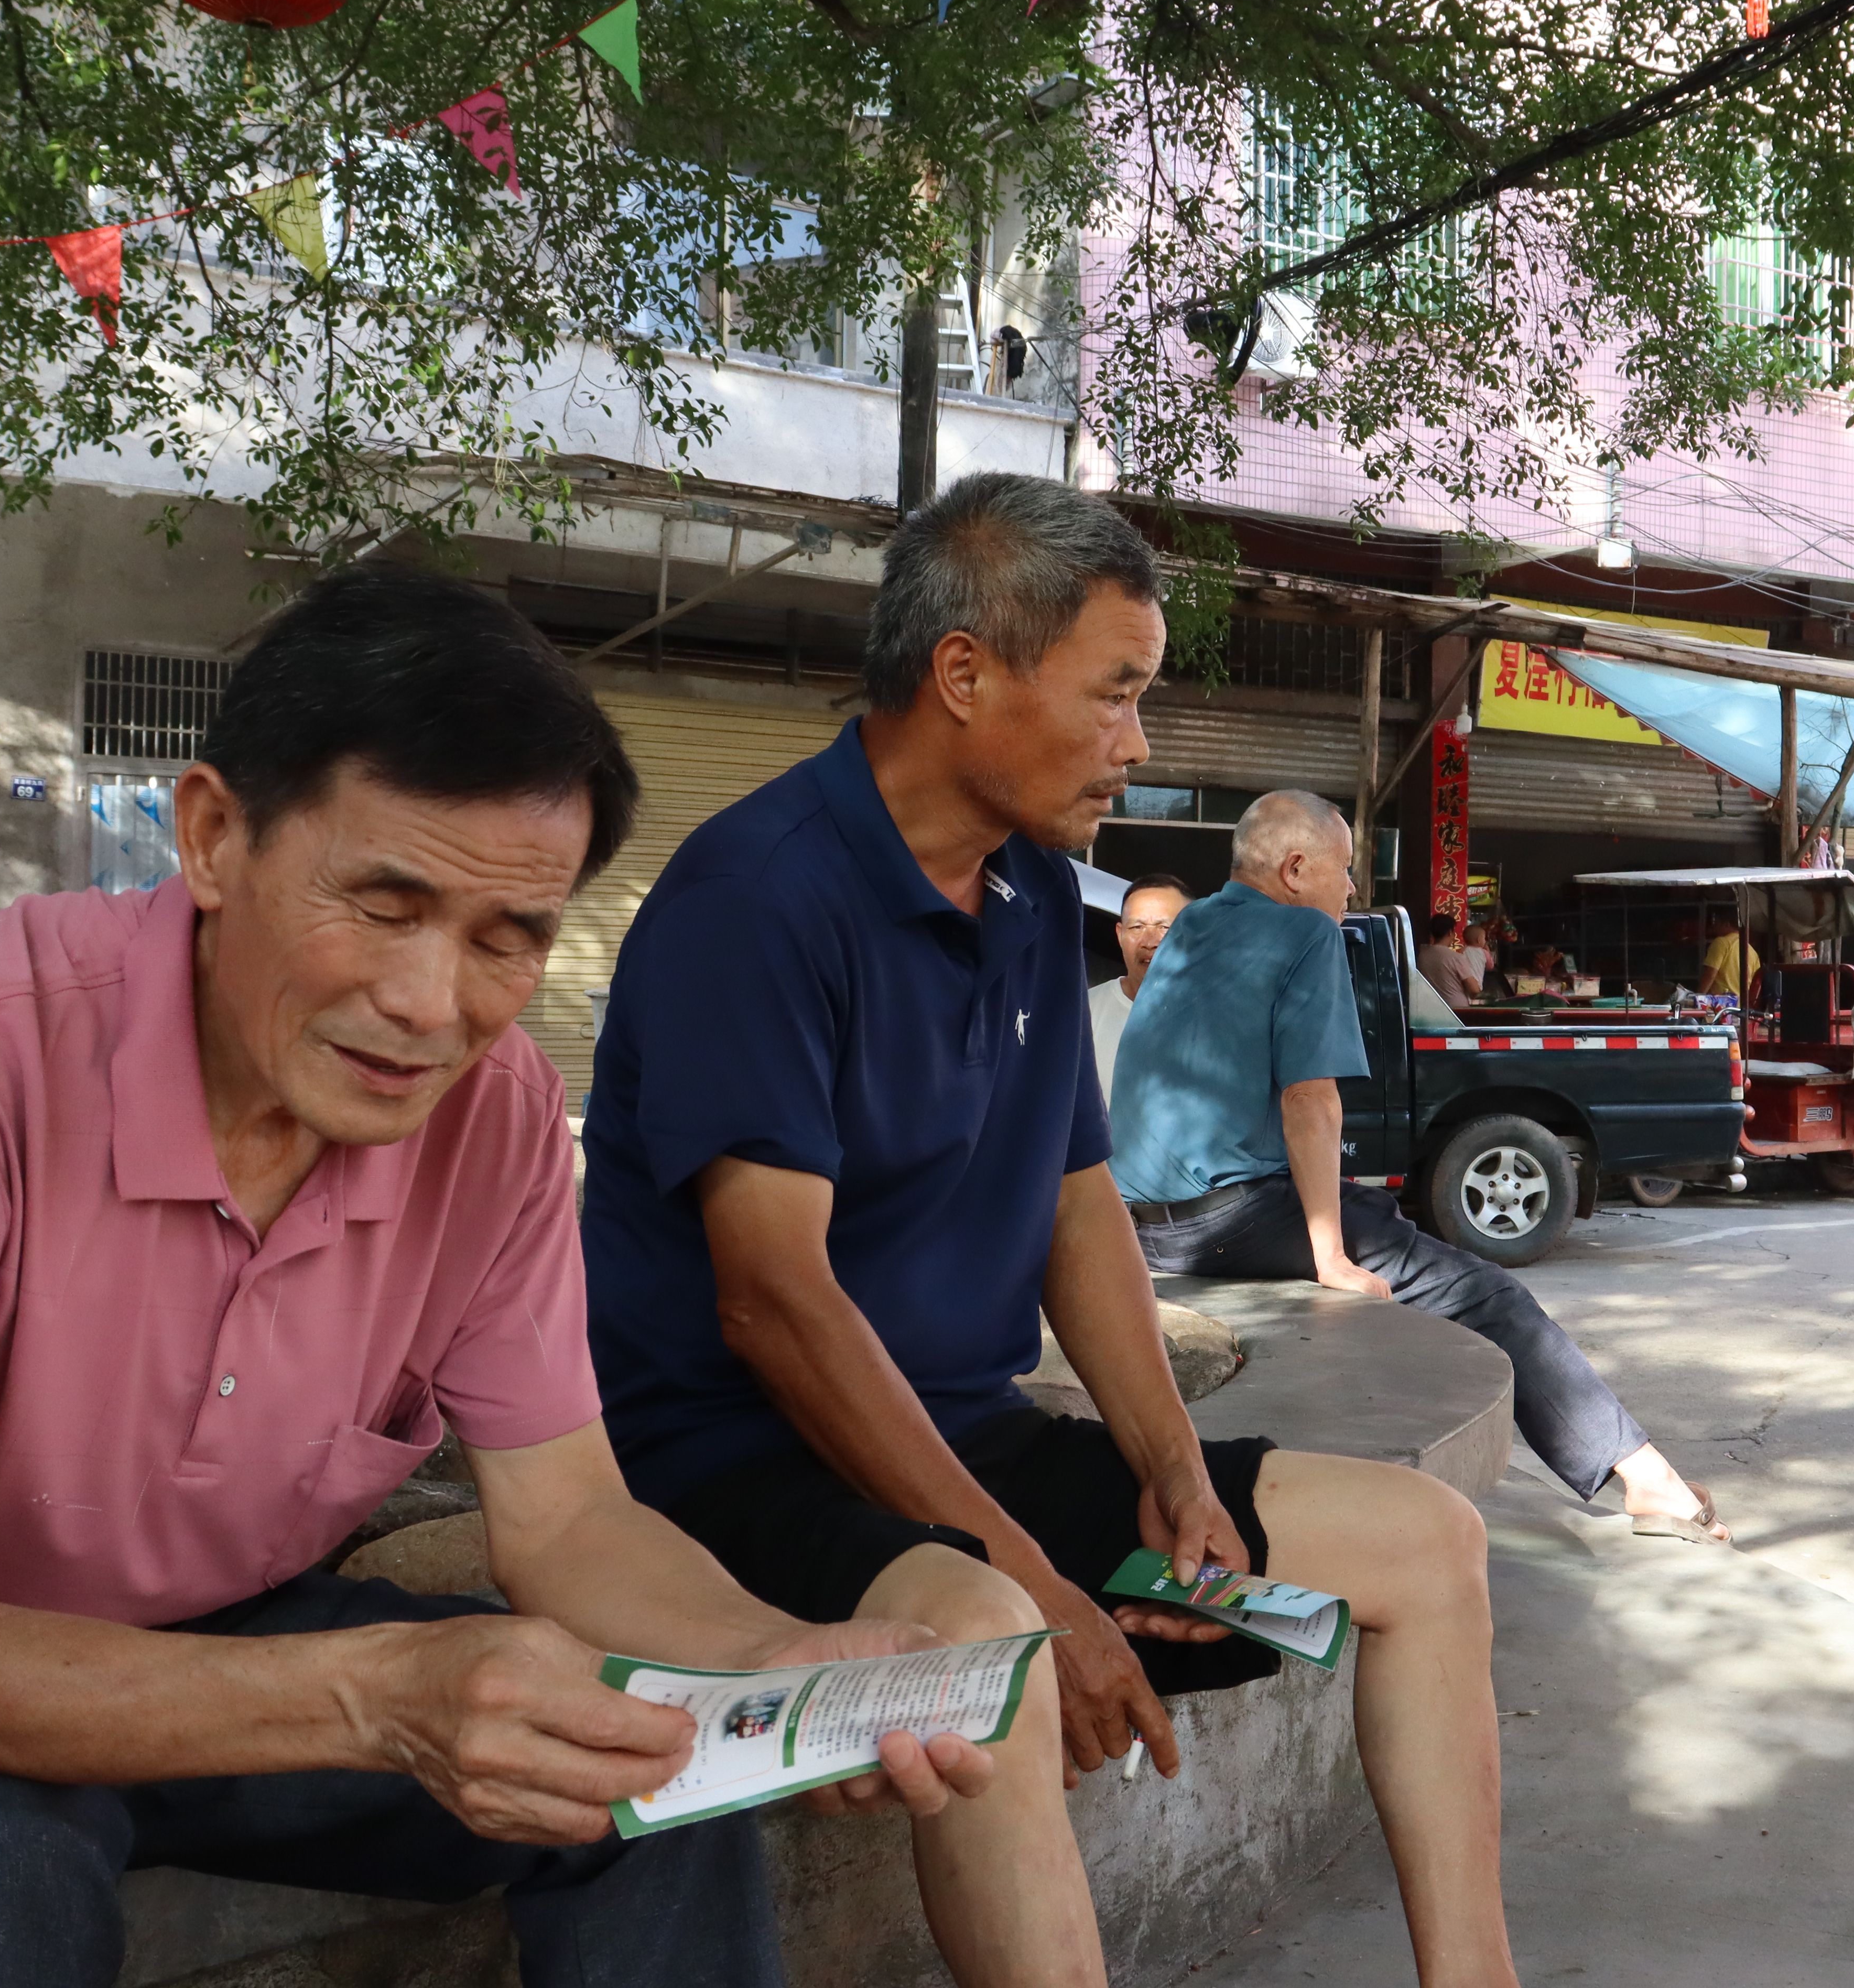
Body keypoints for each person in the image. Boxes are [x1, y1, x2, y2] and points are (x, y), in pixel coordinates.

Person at [0, 570, 991, 1988]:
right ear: (211, 836)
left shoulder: (486, 1117)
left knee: (639, 1761)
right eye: (384, 906)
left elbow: (567, 1525)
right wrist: (374, 1694)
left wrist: (779, 1663)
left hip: (198, 1644)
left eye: (508, 938)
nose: (435, 1007)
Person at [577, 474, 1519, 1988]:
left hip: (962, 1444)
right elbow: (774, 1305)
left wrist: (1162, 1470)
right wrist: (1041, 1581)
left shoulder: (1026, 890)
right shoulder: (757, 898)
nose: (1140, 745)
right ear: (966, 676)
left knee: (1430, 1542)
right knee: (998, 1645)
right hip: (738, 1469)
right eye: (1118, 695)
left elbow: (1079, 1206)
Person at [1112, 790, 1727, 1544]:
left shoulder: (1189, 925)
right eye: (1345, 872)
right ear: (1297, 869)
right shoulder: (1305, 932)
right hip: (1230, 1217)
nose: (1351, 891)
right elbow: (1311, 1100)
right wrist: (1329, 1254)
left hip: (1143, 1228)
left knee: (1388, 1231)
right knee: (1487, 1294)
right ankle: (1646, 1481)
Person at [1089, 874, 1189, 1099]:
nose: (1150, 941)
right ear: (1120, 934)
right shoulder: (1085, 1012)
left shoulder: (1216, 1016)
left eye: (1164, 927)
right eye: (1137, 927)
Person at [1415, 910, 1482, 1010]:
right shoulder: (1456, 958)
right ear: (1450, 932)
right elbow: (1474, 990)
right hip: (1456, 1011)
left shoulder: (1422, 955)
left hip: (1430, 1008)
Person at [1697, 906, 1759, 997]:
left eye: (1717, 923)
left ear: (1727, 924)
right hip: (1742, 1006)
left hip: (1722, 1006)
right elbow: (1755, 985)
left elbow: (1711, 974)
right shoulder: (1752, 951)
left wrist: (1699, 997)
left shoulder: (1721, 943)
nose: (1715, 927)